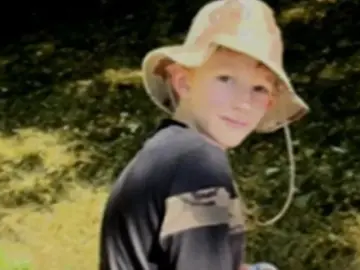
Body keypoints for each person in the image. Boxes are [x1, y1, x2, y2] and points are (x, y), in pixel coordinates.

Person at [98, 0, 309, 269]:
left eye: (259, 89)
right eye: (225, 79)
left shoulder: (169, 150)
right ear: (183, 81)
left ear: (269, 102)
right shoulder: (198, 167)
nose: (243, 102)